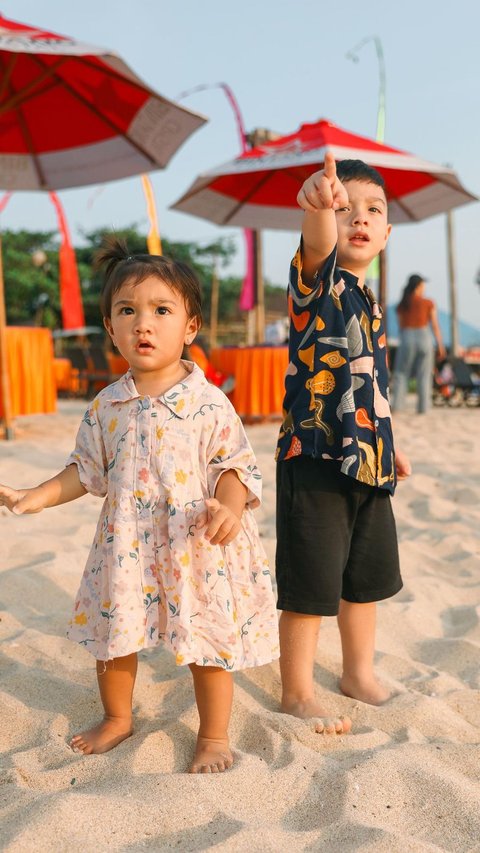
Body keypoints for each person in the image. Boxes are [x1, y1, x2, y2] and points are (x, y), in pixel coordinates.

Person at [0, 239, 279, 774]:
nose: (142, 324)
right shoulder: (108, 404)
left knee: (205, 643)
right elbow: (84, 472)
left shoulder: (208, 401)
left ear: (190, 328)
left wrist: (229, 506)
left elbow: (236, 467)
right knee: (114, 635)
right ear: (110, 328)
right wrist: (34, 496)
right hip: (126, 548)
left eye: (161, 311)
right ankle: (117, 717)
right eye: (127, 311)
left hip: (193, 546)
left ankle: (215, 736)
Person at [275, 154, 411, 732]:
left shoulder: (372, 303)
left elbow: (372, 384)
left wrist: (390, 441)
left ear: (386, 234)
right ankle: (298, 690)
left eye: (372, 210)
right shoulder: (321, 282)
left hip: (370, 460)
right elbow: (318, 245)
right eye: (345, 207)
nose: (358, 218)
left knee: (364, 580)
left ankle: (357, 672)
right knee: (311, 583)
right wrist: (317, 204)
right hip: (316, 458)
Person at [391, 274, 446, 413]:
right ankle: (423, 408)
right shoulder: (428, 302)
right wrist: (440, 345)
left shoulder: (402, 304)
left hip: (407, 338)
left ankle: (397, 406)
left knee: (401, 373)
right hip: (425, 338)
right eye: (423, 285)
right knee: (424, 374)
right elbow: (435, 325)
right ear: (418, 286)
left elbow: (401, 325)